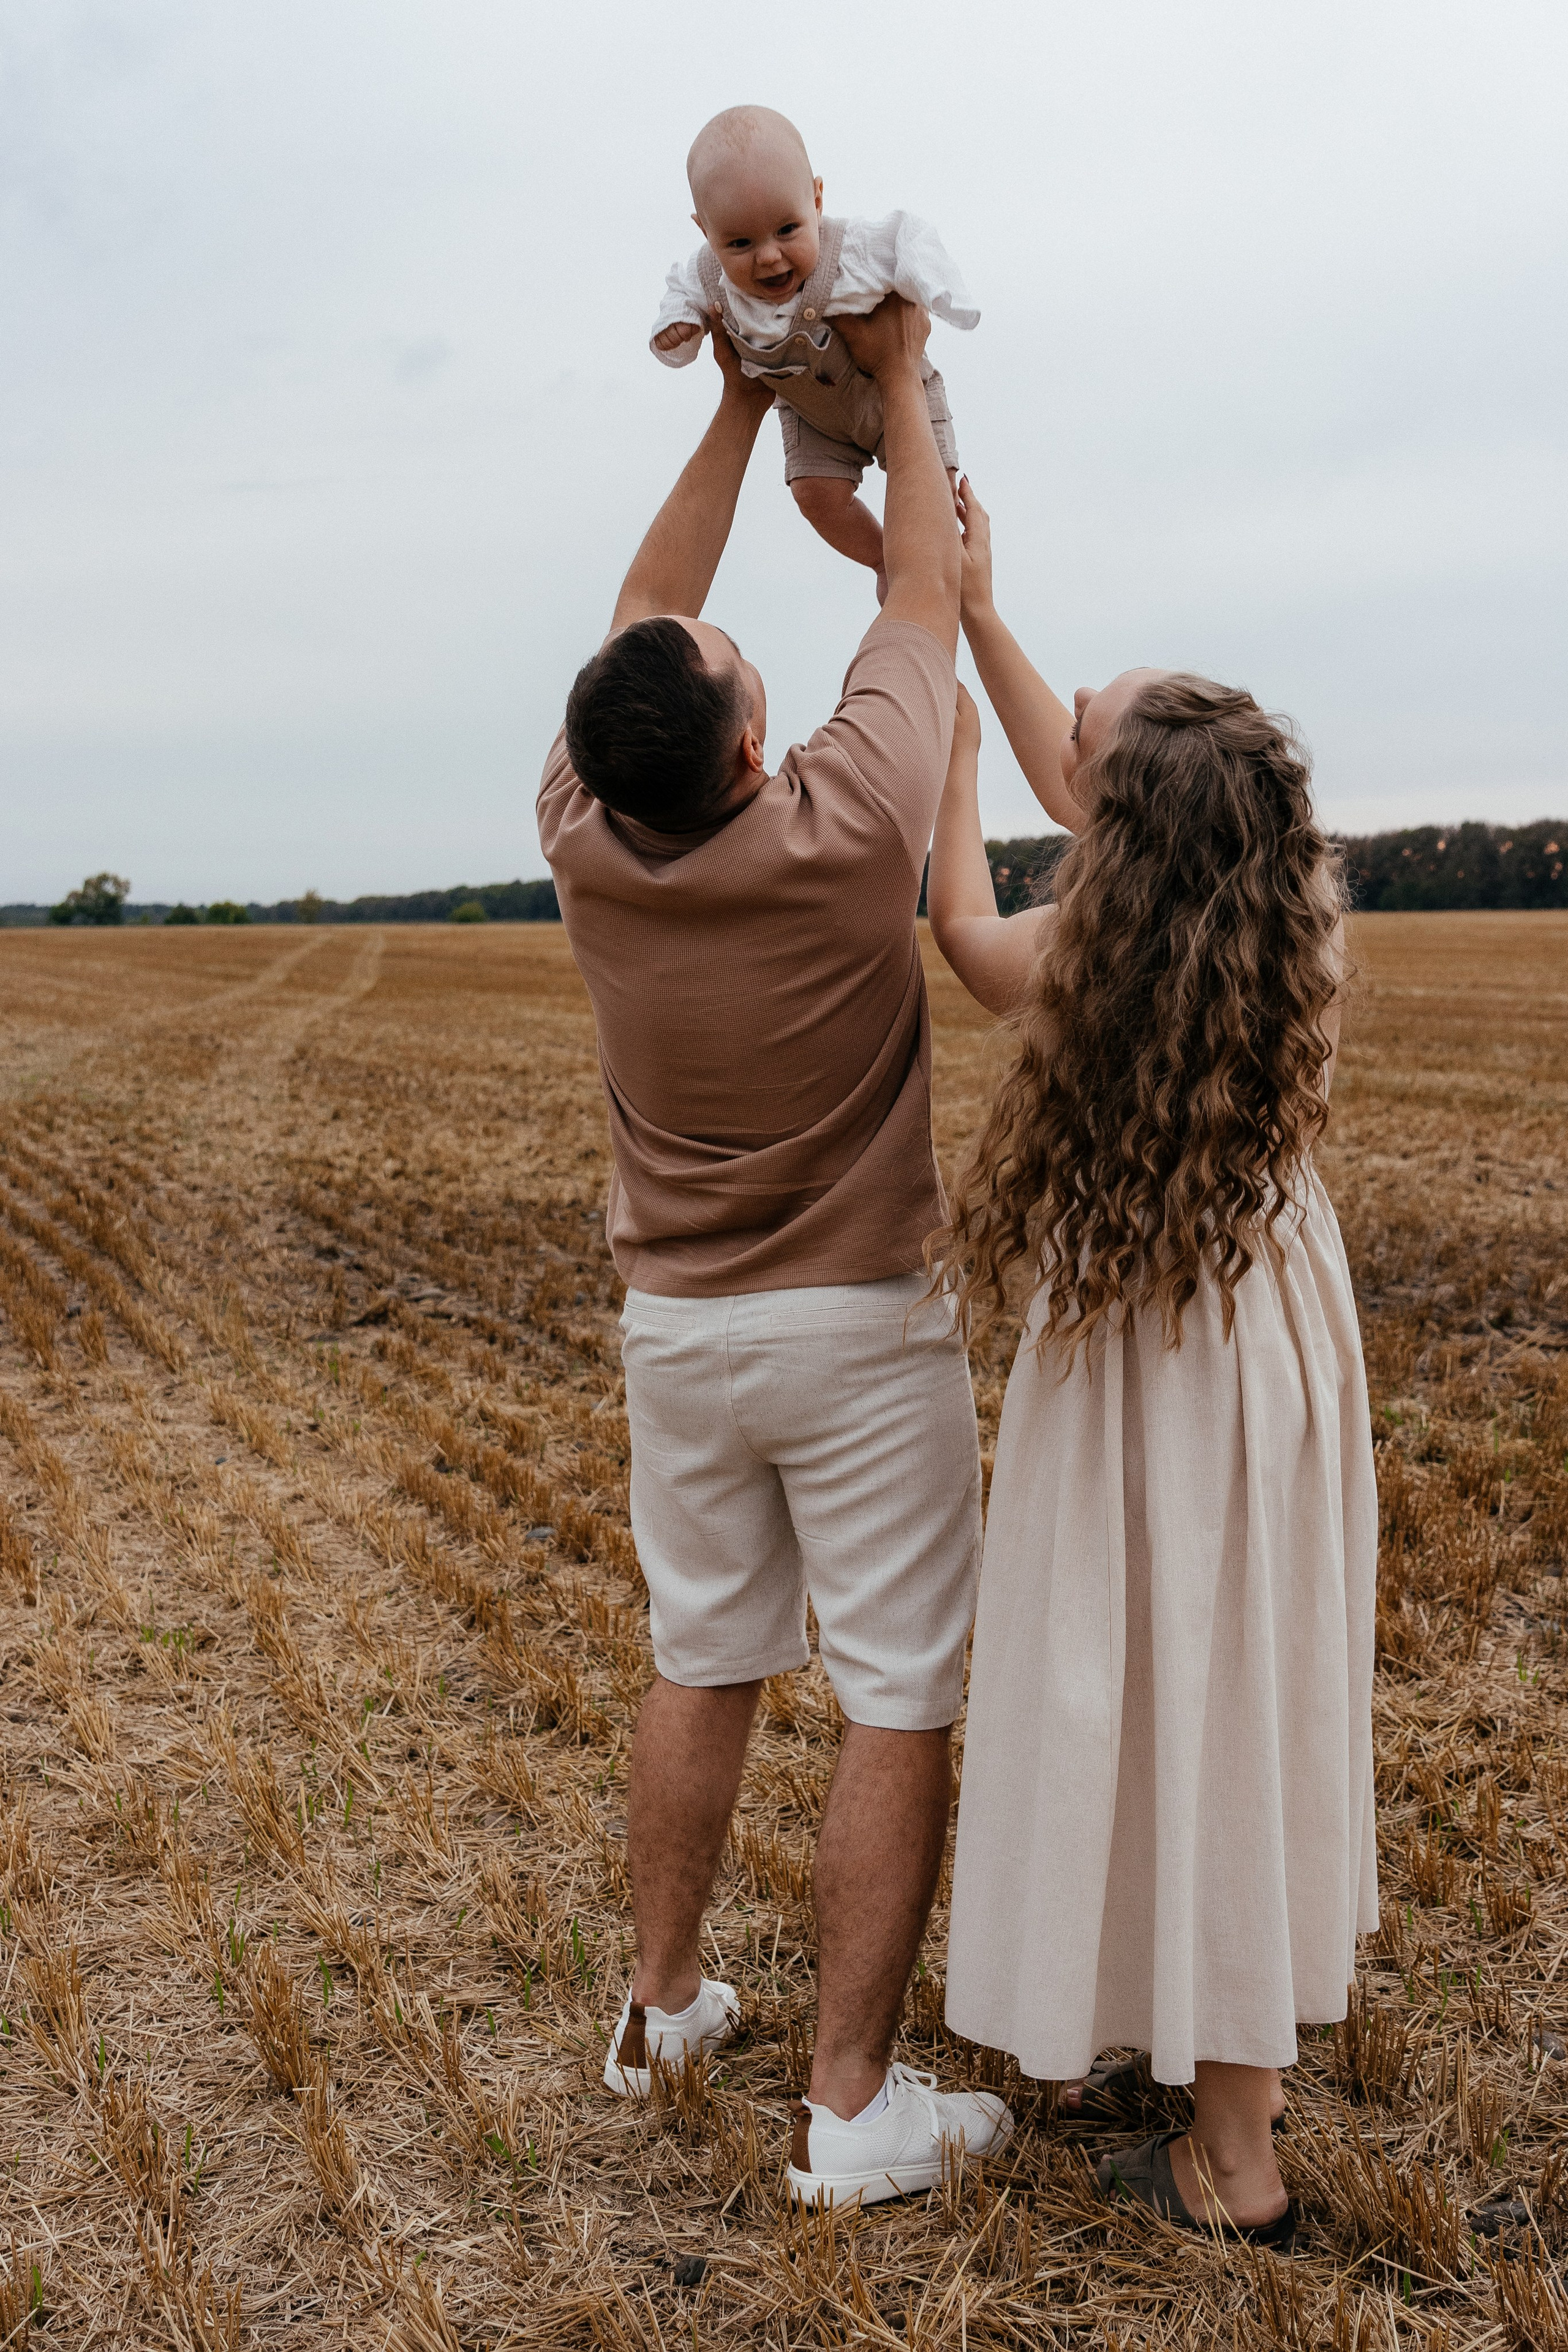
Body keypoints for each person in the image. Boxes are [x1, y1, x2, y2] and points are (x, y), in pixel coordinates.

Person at [537, 300, 1011, 2209]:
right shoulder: (850, 818)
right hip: (861, 1326)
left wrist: (739, 399)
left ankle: (659, 2012)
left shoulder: (581, 832)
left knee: (699, 1657)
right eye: (745, 665)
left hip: (679, 1332)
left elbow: (636, 626)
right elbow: (914, 583)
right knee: (894, 1690)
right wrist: (890, 381)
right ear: (754, 736)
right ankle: (847, 2101)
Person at [924, 484, 1378, 2252]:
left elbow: (975, 951)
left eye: (1084, 747)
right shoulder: (1274, 907)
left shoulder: (1092, 958)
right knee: (1231, 1678)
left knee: (1158, 1689)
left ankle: (1237, 2163)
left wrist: (948, 771)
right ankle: (1194, 2036)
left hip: (1153, 1353)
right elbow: (1101, 775)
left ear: (1123, 839)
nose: (1063, 764)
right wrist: (978, 608)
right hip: (1265, 1327)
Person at [651, 105, 976, 600]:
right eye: (739, 242)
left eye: (787, 230)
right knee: (814, 496)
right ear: (705, 232)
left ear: (817, 200)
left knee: (932, 493)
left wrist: (940, 292)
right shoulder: (707, 275)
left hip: (894, 398)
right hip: (812, 417)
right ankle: (883, 558)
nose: (768, 255)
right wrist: (678, 329)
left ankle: (932, 569)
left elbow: (906, 239)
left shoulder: (852, 251)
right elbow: (682, 293)